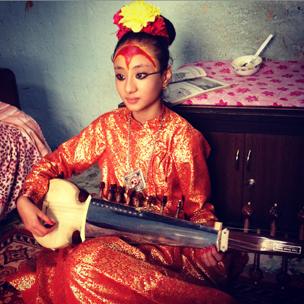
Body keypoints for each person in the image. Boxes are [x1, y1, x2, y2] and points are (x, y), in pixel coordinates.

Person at [8, 1, 246, 303]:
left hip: (161, 248)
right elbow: (56, 162)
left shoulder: (183, 138)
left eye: (141, 75)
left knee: (81, 267)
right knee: (81, 264)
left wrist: (205, 242)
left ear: (166, 75)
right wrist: (25, 198)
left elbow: (199, 209)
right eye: (121, 76)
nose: (128, 88)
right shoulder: (108, 127)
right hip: (108, 237)